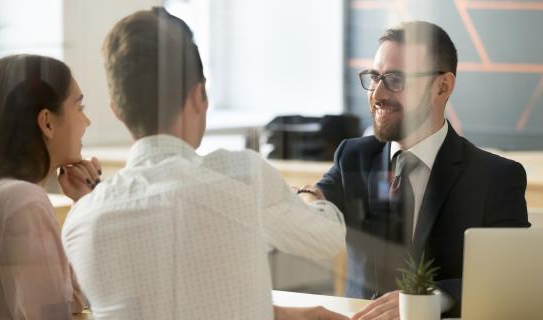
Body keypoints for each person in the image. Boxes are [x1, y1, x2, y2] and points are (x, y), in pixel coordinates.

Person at [62, 7, 348, 320]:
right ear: (199, 96)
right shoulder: (242, 177)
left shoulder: (81, 221)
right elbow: (329, 239)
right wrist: (309, 196)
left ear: (117, 110)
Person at [315, 21, 530, 318]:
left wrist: (429, 300)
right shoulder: (353, 157)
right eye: (375, 77)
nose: (377, 93)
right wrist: (306, 198)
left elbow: (512, 277)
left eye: (395, 79)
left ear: (442, 86)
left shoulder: (496, 177)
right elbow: (314, 203)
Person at [0, 54, 101, 319]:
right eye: (79, 107)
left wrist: (84, 205)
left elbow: (71, 301)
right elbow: (53, 313)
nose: (87, 122)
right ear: (47, 122)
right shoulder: (24, 200)